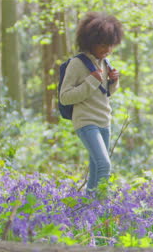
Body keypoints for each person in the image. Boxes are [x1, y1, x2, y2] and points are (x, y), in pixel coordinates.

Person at [59, 12, 124, 197]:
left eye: (110, 45)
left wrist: (113, 82)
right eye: (103, 44)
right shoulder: (77, 64)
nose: (107, 49)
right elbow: (65, 97)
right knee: (104, 164)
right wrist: (90, 81)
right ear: (90, 41)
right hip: (86, 122)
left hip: (104, 121)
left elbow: (106, 94)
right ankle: (102, 211)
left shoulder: (105, 62)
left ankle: (89, 211)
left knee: (96, 168)